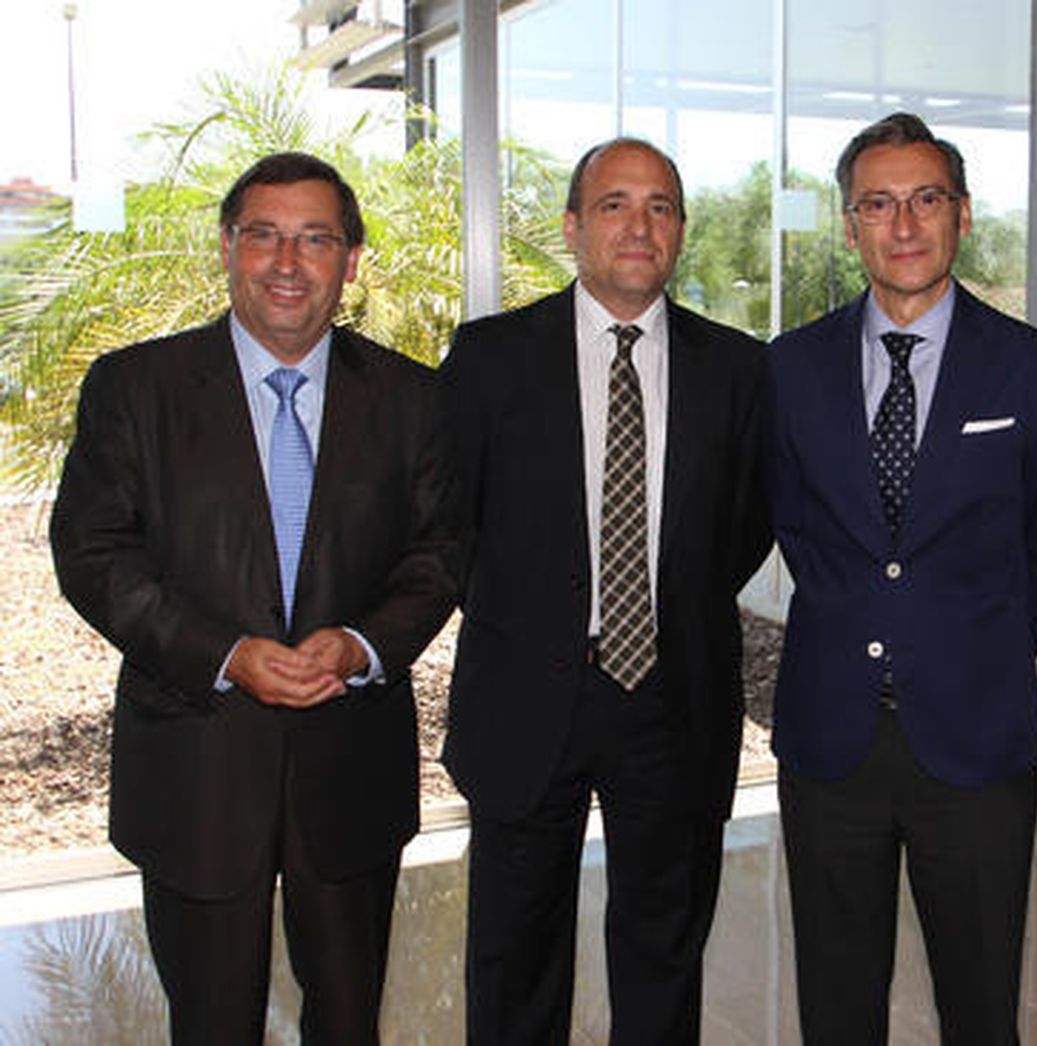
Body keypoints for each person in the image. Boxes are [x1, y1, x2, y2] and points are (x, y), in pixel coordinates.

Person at [50, 152, 460, 1044]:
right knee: (211, 1023)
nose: (287, 262)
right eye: (264, 235)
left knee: (348, 1018)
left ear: (351, 260)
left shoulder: (415, 399)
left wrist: (361, 644)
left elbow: (439, 553)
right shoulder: (135, 388)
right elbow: (92, 552)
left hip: (350, 771)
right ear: (227, 246)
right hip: (195, 770)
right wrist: (225, 654)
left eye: (315, 239)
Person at [766, 112, 1037, 1044]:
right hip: (831, 740)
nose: (903, 225)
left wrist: (975, 648)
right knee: (836, 1006)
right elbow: (791, 522)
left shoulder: (1030, 368)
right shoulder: (791, 368)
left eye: (925, 200)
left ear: (963, 214)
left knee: (981, 1007)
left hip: (977, 741)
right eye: (877, 204)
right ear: (849, 225)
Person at [441, 137, 769, 1044]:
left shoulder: (738, 371)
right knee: (514, 957)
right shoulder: (491, 358)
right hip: (525, 694)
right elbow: (451, 522)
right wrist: (528, 618)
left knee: (664, 953)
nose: (639, 225)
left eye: (660, 207)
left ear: (681, 231)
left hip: (674, 697)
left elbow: (745, 524)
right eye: (615, 204)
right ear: (573, 227)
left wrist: (667, 608)